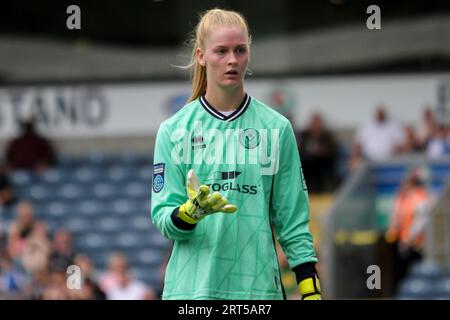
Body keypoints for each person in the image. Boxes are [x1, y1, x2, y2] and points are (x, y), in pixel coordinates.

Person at [151, 8, 320, 300]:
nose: (232, 60)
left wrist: (311, 292)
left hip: (258, 293)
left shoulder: (277, 129)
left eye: (240, 50)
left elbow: (294, 224)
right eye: (222, 51)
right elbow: (163, 219)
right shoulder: (173, 130)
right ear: (201, 56)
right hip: (190, 294)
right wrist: (191, 213)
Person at [385, 166, 432, 293]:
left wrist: (409, 237)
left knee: (416, 277)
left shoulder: (421, 197)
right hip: (404, 244)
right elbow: (396, 218)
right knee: (401, 275)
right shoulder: (403, 198)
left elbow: (421, 222)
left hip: (416, 245)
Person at [298, 113, 338, 193]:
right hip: (307, 164)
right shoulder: (304, 135)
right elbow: (299, 150)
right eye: (313, 123)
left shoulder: (327, 136)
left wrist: (322, 151)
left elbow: (333, 150)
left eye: (317, 123)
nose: (315, 126)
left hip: (323, 163)